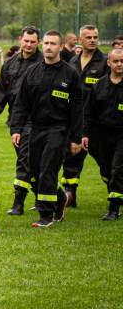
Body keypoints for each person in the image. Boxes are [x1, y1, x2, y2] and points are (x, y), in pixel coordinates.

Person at [9, 30, 83, 228]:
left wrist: (76, 138)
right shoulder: (32, 71)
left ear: (61, 47)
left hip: (59, 129)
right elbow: (21, 103)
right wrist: (16, 128)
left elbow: (77, 109)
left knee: (48, 170)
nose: (49, 47)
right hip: (36, 128)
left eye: (53, 44)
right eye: (47, 43)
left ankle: (45, 214)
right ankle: (61, 199)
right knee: (34, 172)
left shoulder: (71, 74)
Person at [0, 26, 42, 215]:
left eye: (33, 41)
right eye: (26, 41)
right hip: (15, 120)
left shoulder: (43, 63)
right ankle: (46, 196)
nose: (29, 44)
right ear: (20, 40)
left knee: (25, 159)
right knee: (32, 162)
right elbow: (1, 92)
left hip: (36, 120)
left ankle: (18, 202)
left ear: (38, 42)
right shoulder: (10, 63)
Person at [61, 25, 106, 207]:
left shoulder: (105, 62)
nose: (93, 40)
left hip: (98, 123)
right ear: (80, 40)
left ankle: (116, 195)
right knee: (71, 159)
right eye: (88, 37)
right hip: (75, 122)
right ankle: (70, 197)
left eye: (95, 37)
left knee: (107, 162)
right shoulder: (72, 62)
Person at [82, 47, 123, 220]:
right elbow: (88, 112)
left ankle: (113, 209)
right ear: (108, 63)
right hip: (102, 136)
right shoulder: (100, 85)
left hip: (122, 135)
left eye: (122, 61)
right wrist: (85, 134)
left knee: (118, 169)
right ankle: (117, 197)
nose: (119, 64)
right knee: (106, 171)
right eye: (116, 61)